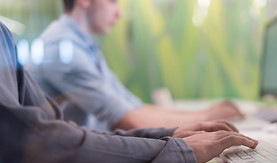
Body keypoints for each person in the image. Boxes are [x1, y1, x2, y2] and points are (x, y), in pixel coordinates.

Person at [0, 22, 257, 163]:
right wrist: (179, 146)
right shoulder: (61, 46)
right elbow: (36, 148)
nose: (118, 11)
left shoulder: (8, 35)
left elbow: (61, 130)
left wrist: (169, 136)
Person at [26, 0, 245, 132]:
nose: (119, 13)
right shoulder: (63, 49)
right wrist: (206, 120)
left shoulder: (85, 46)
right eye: (113, 1)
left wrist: (206, 114)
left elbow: (133, 107)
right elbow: (129, 121)